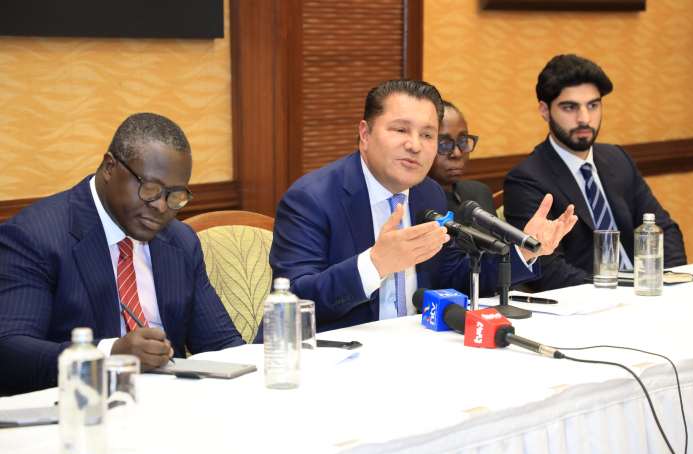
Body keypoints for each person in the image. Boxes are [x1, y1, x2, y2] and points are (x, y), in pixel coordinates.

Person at [269, 79, 577, 333]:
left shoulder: (428, 194)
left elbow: (454, 276)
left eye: (427, 135)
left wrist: (524, 250)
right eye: (400, 130)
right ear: (365, 134)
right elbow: (294, 301)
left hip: (420, 347)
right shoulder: (311, 199)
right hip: (337, 357)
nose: (415, 145)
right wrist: (375, 264)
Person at [0, 113, 245, 395]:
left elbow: (223, 347)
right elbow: (10, 351)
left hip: (170, 405)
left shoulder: (180, 242)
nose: (161, 207)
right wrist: (110, 354)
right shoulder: (35, 236)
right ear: (109, 167)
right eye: (150, 189)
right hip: (79, 406)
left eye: (175, 195)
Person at [504, 54, 687, 291]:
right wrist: (621, 290)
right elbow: (548, 270)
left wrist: (668, 283)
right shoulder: (526, 179)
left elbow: (664, 229)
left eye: (593, 105)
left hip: (645, 292)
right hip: (590, 299)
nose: (585, 118)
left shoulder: (617, 158)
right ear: (544, 110)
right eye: (570, 107)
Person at [428, 101, 495, 215]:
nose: (457, 153)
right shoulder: (408, 201)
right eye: (444, 143)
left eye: (463, 141)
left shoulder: (479, 192)